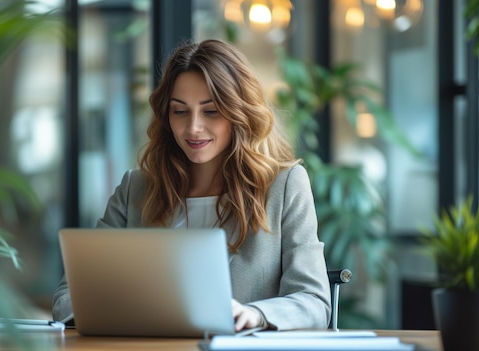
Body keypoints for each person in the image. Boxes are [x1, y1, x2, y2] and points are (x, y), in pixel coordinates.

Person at [53, 39, 331, 331]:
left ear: (240, 113)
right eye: (180, 111)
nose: (193, 127)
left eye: (210, 111)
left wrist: (256, 315)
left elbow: (313, 301)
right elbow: (67, 297)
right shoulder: (136, 189)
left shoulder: (284, 186)